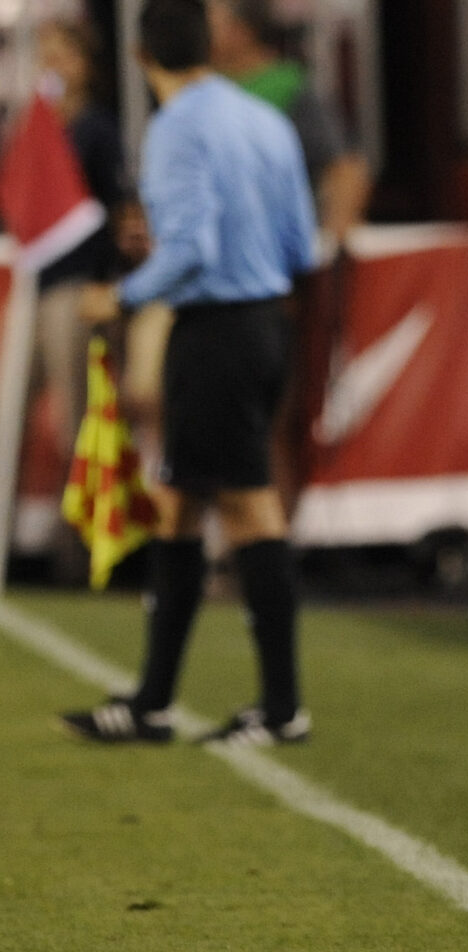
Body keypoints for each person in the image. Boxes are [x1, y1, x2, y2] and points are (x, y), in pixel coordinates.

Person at [60, 0, 317, 747]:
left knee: (246, 510)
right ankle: (154, 702)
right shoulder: (263, 119)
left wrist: (123, 291)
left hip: (216, 333)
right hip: (269, 323)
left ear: (142, 58)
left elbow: (194, 249)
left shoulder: (175, 128)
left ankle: (280, 709)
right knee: (179, 503)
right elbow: (300, 241)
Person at [27, 18, 133, 580]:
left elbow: (117, 211)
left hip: (75, 287)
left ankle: (80, 552)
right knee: (13, 415)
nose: (53, 65)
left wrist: (109, 284)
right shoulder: (35, 126)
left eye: (62, 55)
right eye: (47, 55)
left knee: (75, 422)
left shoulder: (96, 129)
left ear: (85, 64)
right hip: (34, 287)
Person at [207, 0, 369, 247]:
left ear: (240, 31)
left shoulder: (287, 89)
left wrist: (331, 242)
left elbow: (345, 168)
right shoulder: (204, 91)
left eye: (210, 22)